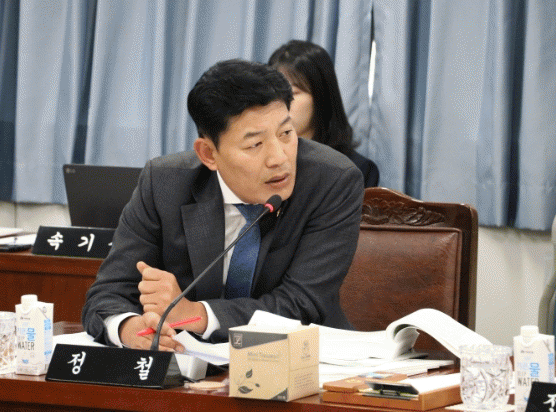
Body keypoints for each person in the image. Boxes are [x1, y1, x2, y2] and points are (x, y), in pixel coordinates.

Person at [81, 59, 364, 351]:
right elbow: (108, 292)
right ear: (208, 154)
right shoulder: (164, 184)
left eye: (286, 134)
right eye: (255, 144)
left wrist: (196, 315)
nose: (279, 158)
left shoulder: (332, 181)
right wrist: (129, 329)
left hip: (303, 358)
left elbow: (301, 304)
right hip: (189, 361)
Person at [268, 39, 379, 187]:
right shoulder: (263, 160)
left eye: (293, 93)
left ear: (321, 96)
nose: (281, 102)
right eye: (275, 93)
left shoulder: (355, 170)